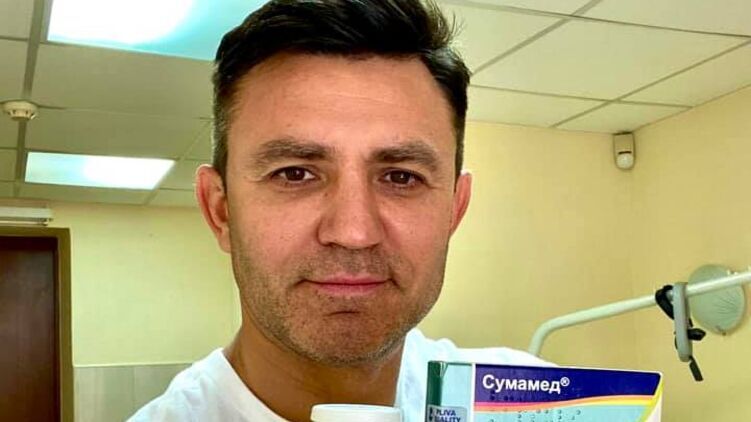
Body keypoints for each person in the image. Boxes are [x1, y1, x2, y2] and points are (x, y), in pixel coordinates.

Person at [130, 1, 546, 421]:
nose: (354, 232)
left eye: (401, 177)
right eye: (294, 174)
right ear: (220, 210)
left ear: (455, 209)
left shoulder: (533, 408)